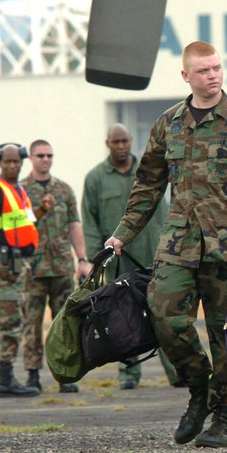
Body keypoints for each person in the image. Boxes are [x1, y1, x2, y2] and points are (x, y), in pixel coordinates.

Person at [104, 41, 227, 448]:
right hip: (179, 244)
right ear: (186, 76)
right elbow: (147, 185)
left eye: (217, 68)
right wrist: (122, 234)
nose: (213, 75)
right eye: (204, 70)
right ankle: (199, 387)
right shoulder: (168, 124)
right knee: (163, 314)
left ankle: (223, 415)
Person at [82, 123, 181, 389]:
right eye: (116, 142)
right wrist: (95, 257)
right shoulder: (95, 178)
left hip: (156, 256)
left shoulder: (150, 171)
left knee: (165, 315)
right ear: (107, 144)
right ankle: (128, 375)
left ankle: (178, 373)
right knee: (121, 318)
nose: (121, 146)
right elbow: (89, 221)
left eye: (125, 141)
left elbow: (170, 210)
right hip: (119, 261)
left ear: (131, 141)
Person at [0, 143, 48, 398]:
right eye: (8, 162)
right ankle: (4, 381)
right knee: (8, 320)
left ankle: (2, 380)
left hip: (18, 266)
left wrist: (42, 210)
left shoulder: (18, 190)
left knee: (17, 318)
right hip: (0, 265)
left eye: (17, 161)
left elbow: (25, 223)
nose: (13, 165)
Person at [21, 139, 89, 394]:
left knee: (64, 324)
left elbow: (74, 225)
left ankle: (65, 374)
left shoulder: (63, 189)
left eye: (49, 155)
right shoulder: (22, 191)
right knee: (32, 324)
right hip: (33, 269)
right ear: (31, 157)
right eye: (40, 155)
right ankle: (32, 375)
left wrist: (82, 259)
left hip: (61, 267)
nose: (46, 159)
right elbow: (18, 227)